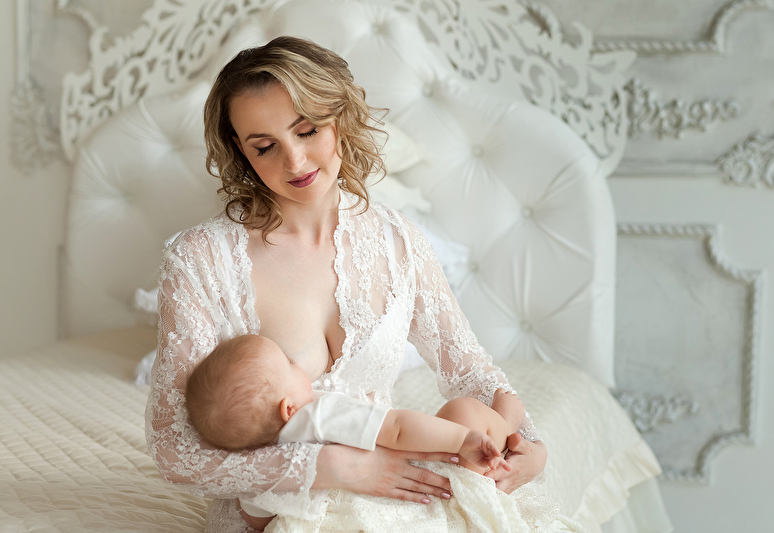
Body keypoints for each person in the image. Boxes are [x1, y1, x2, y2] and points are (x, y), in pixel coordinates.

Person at [145, 35, 548, 533]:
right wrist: (329, 468)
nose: (294, 162)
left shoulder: (398, 243)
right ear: (241, 153)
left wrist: (532, 448)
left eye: (307, 130)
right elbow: (174, 450)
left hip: (396, 495)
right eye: (265, 147)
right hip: (277, 515)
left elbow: (470, 373)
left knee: (466, 415)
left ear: (341, 117)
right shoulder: (199, 259)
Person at [185, 333, 523, 529]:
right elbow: (397, 429)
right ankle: (505, 425)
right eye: (289, 364)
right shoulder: (317, 414)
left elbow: (259, 523)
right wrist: (462, 440)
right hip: (393, 503)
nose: (298, 365)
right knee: (462, 412)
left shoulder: (257, 472)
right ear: (288, 409)